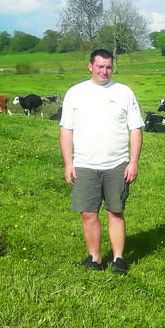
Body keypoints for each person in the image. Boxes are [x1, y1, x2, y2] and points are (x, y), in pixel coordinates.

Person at [59, 49, 144, 275]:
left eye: (108, 67)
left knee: (115, 212)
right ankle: (94, 258)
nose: (104, 71)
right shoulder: (75, 93)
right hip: (84, 163)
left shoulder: (124, 92)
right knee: (87, 213)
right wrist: (68, 163)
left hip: (117, 163)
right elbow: (66, 130)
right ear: (90, 66)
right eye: (100, 67)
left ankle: (118, 259)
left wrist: (133, 162)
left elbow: (135, 129)